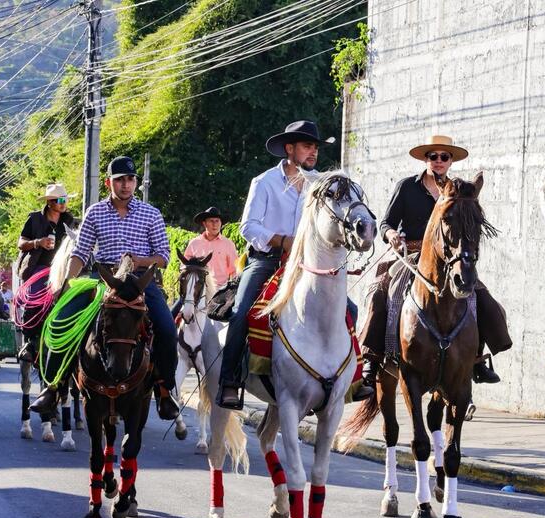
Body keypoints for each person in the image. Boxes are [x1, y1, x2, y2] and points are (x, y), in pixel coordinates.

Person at [216, 120, 374, 409]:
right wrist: (281, 240)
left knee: (349, 309)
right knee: (241, 312)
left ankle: (354, 379)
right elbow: (248, 227)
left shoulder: (321, 186)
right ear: (289, 149)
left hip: (304, 264)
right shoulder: (263, 182)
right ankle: (230, 381)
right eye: (306, 146)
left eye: (315, 147)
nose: (313, 151)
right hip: (266, 260)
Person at [28, 158, 181, 420]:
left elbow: (163, 257)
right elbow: (80, 252)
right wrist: (65, 285)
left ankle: (164, 391)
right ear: (109, 182)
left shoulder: (151, 213)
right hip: (104, 280)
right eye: (120, 180)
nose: (126, 185)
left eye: (130, 180)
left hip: (140, 281)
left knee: (167, 329)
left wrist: (137, 260)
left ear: (135, 183)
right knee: (62, 320)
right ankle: (54, 387)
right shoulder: (95, 212)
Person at [358, 134, 512, 387]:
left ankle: (477, 359)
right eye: (434, 156)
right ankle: (373, 358)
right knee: (383, 292)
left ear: (450, 161)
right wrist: (391, 234)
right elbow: (386, 221)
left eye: (444, 156)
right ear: (426, 159)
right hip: (410, 254)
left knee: (480, 296)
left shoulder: (459, 191)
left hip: (448, 258)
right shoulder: (407, 186)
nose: (439, 161)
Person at [14, 183, 75, 359]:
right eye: (60, 200)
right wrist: (38, 242)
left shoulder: (70, 220)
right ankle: (30, 340)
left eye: (66, 199)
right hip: (39, 268)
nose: (64, 203)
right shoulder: (34, 219)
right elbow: (21, 243)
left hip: (65, 269)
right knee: (34, 299)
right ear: (49, 202)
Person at [171, 206, 239, 317]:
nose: (215, 224)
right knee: (172, 316)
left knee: (236, 317)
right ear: (204, 223)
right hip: (195, 291)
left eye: (217, 221)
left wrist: (231, 292)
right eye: (211, 221)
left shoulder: (228, 244)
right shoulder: (194, 243)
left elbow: (234, 271)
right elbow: (184, 267)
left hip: (219, 292)